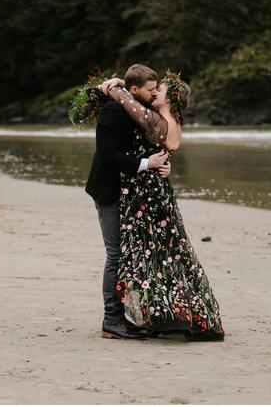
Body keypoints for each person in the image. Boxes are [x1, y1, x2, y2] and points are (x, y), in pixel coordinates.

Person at [99, 71, 224, 341]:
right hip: (151, 193)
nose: (154, 93)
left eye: (160, 91)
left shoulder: (158, 120)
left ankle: (148, 316)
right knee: (162, 257)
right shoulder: (170, 120)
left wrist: (115, 89)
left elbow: (135, 110)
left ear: (171, 98)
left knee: (153, 256)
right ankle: (155, 315)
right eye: (153, 89)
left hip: (150, 196)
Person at [85, 64, 171, 339]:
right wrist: (147, 164)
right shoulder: (112, 111)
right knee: (116, 254)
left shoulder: (141, 113)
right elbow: (108, 155)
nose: (155, 92)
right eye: (150, 90)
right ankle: (111, 321)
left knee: (130, 255)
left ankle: (129, 315)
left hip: (132, 193)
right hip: (109, 190)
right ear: (134, 90)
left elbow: (153, 145)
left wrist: (162, 166)